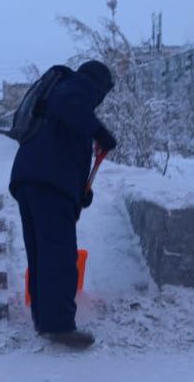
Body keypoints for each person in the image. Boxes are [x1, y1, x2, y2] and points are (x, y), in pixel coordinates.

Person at [9, 60, 117, 350]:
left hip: (31, 179)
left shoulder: (62, 98)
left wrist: (80, 192)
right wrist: (101, 132)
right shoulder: (77, 87)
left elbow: (66, 151)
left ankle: (45, 321)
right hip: (48, 183)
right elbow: (69, 105)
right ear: (99, 86)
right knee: (58, 255)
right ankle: (59, 326)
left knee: (42, 254)